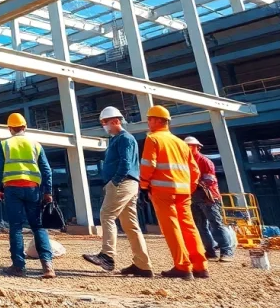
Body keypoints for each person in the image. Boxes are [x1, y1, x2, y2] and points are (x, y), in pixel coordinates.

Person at [83, 107, 153, 277]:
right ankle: (143, 265)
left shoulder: (125, 139)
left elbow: (125, 162)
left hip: (123, 182)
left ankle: (107, 255)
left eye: (105, 123)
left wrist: (115, 181)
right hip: (126, 183)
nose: (104, 126)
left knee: (106, 214)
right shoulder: (116, 139)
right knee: (130, 225)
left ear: (115, 121)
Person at [140, 106, 207, 279]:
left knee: (171, 227)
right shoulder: (181, 143)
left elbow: (148, 165)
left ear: (156, 120)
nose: (148, 122)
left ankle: (183, 266)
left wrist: (144, 186)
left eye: (149, 119)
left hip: (163, 191)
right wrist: (189, 188)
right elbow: (194, 170)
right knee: (189, 226)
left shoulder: (153, 139)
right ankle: (200, 266)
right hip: (183, 191)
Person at [0, 112, 56, 278]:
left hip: (12, 189)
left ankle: (18, 266)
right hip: (33, 189)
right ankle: (48, 266)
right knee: (38, 226)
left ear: (9, 128)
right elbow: (47, 170)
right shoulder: (35, 144)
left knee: (16, 227)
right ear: (25, 127)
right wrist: (48, 191)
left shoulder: (4, 144)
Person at [184, 137, 235, 262]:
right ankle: (210, 251)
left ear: (198, 147)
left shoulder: (204, 161)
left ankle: (227, 251)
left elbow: (209, 181)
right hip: (194, 198)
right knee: (201, 226)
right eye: (186, 146)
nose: (188, 149)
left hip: (209, 198)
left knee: (216, 224)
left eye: (191, 146)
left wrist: (195, 183)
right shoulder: (185, 162)